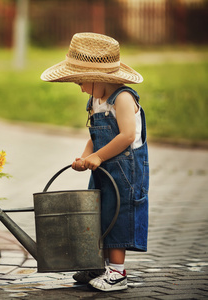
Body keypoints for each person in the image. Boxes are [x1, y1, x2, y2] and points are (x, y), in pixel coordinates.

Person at [40, 32, 149, 292]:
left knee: (117, 215)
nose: (79, 88)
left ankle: (117, 274)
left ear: (99, 77)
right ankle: (96, 265)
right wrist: (87, 156)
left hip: (125, 170)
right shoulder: (96, 100)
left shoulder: (122, 98)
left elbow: (127, 136)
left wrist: (98, 156)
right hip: (104, 167)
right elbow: (95, 137)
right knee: (97, 213)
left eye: (80, 81)